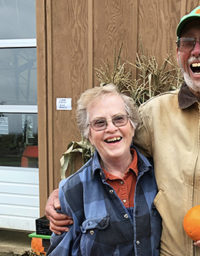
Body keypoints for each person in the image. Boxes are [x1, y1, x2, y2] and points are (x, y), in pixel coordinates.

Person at [46, 5, 200, 256]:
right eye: (187, 42)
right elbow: (117, 161)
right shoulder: (153, 114)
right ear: (178, 52)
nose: (197, 51)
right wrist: (64, 195)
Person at [47, 84, 161, 255]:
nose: (111, 128)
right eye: (99, 123)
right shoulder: (73, 190)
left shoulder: (159, 176)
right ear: (88, 135)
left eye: (119, 119)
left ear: (132, 125)